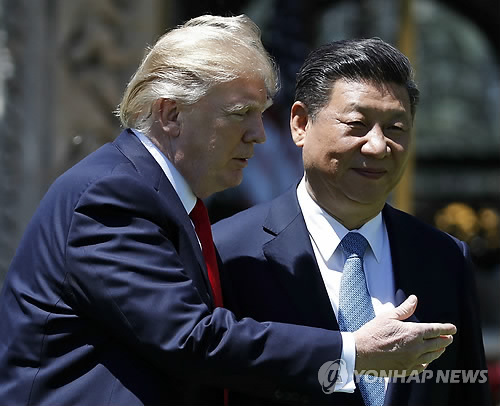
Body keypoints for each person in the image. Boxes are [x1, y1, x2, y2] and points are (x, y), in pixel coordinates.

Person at [1, 16, 392, 406]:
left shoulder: (157, 197)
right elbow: (190, 337)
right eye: (241, 113)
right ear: (171, 114)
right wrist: (352, 352)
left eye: (260, 114)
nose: (258, 134)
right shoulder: (113, 195)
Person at [214, 38, 492, 405]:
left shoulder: (444, 258)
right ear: (300, 124)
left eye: (396, 127)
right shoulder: (228, 252)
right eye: (357, 124)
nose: (378, 146)